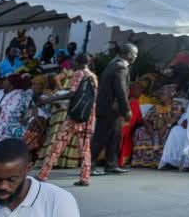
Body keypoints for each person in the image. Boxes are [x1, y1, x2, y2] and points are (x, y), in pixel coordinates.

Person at [39, 52, 99, 185]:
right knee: (85, 148)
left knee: (59, 143)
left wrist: (51, 99)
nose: (72, 63)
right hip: (87, 116)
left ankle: (43, 174)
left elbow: (72, 93)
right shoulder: (94, 76)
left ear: (79, 62)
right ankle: (85, 177)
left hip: (75, 116)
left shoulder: (78, 74)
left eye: (74, 60)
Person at [92, 43, 136, 176]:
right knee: (101, 137)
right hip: (109, 109)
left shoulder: (114, 64)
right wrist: (127, 110)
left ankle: (111, 165)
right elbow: (121, 91)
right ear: (128, 54)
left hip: (111, 109)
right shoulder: (120, 67)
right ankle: (89, 165)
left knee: (114, 137)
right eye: (134, 54)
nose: (135, 57)